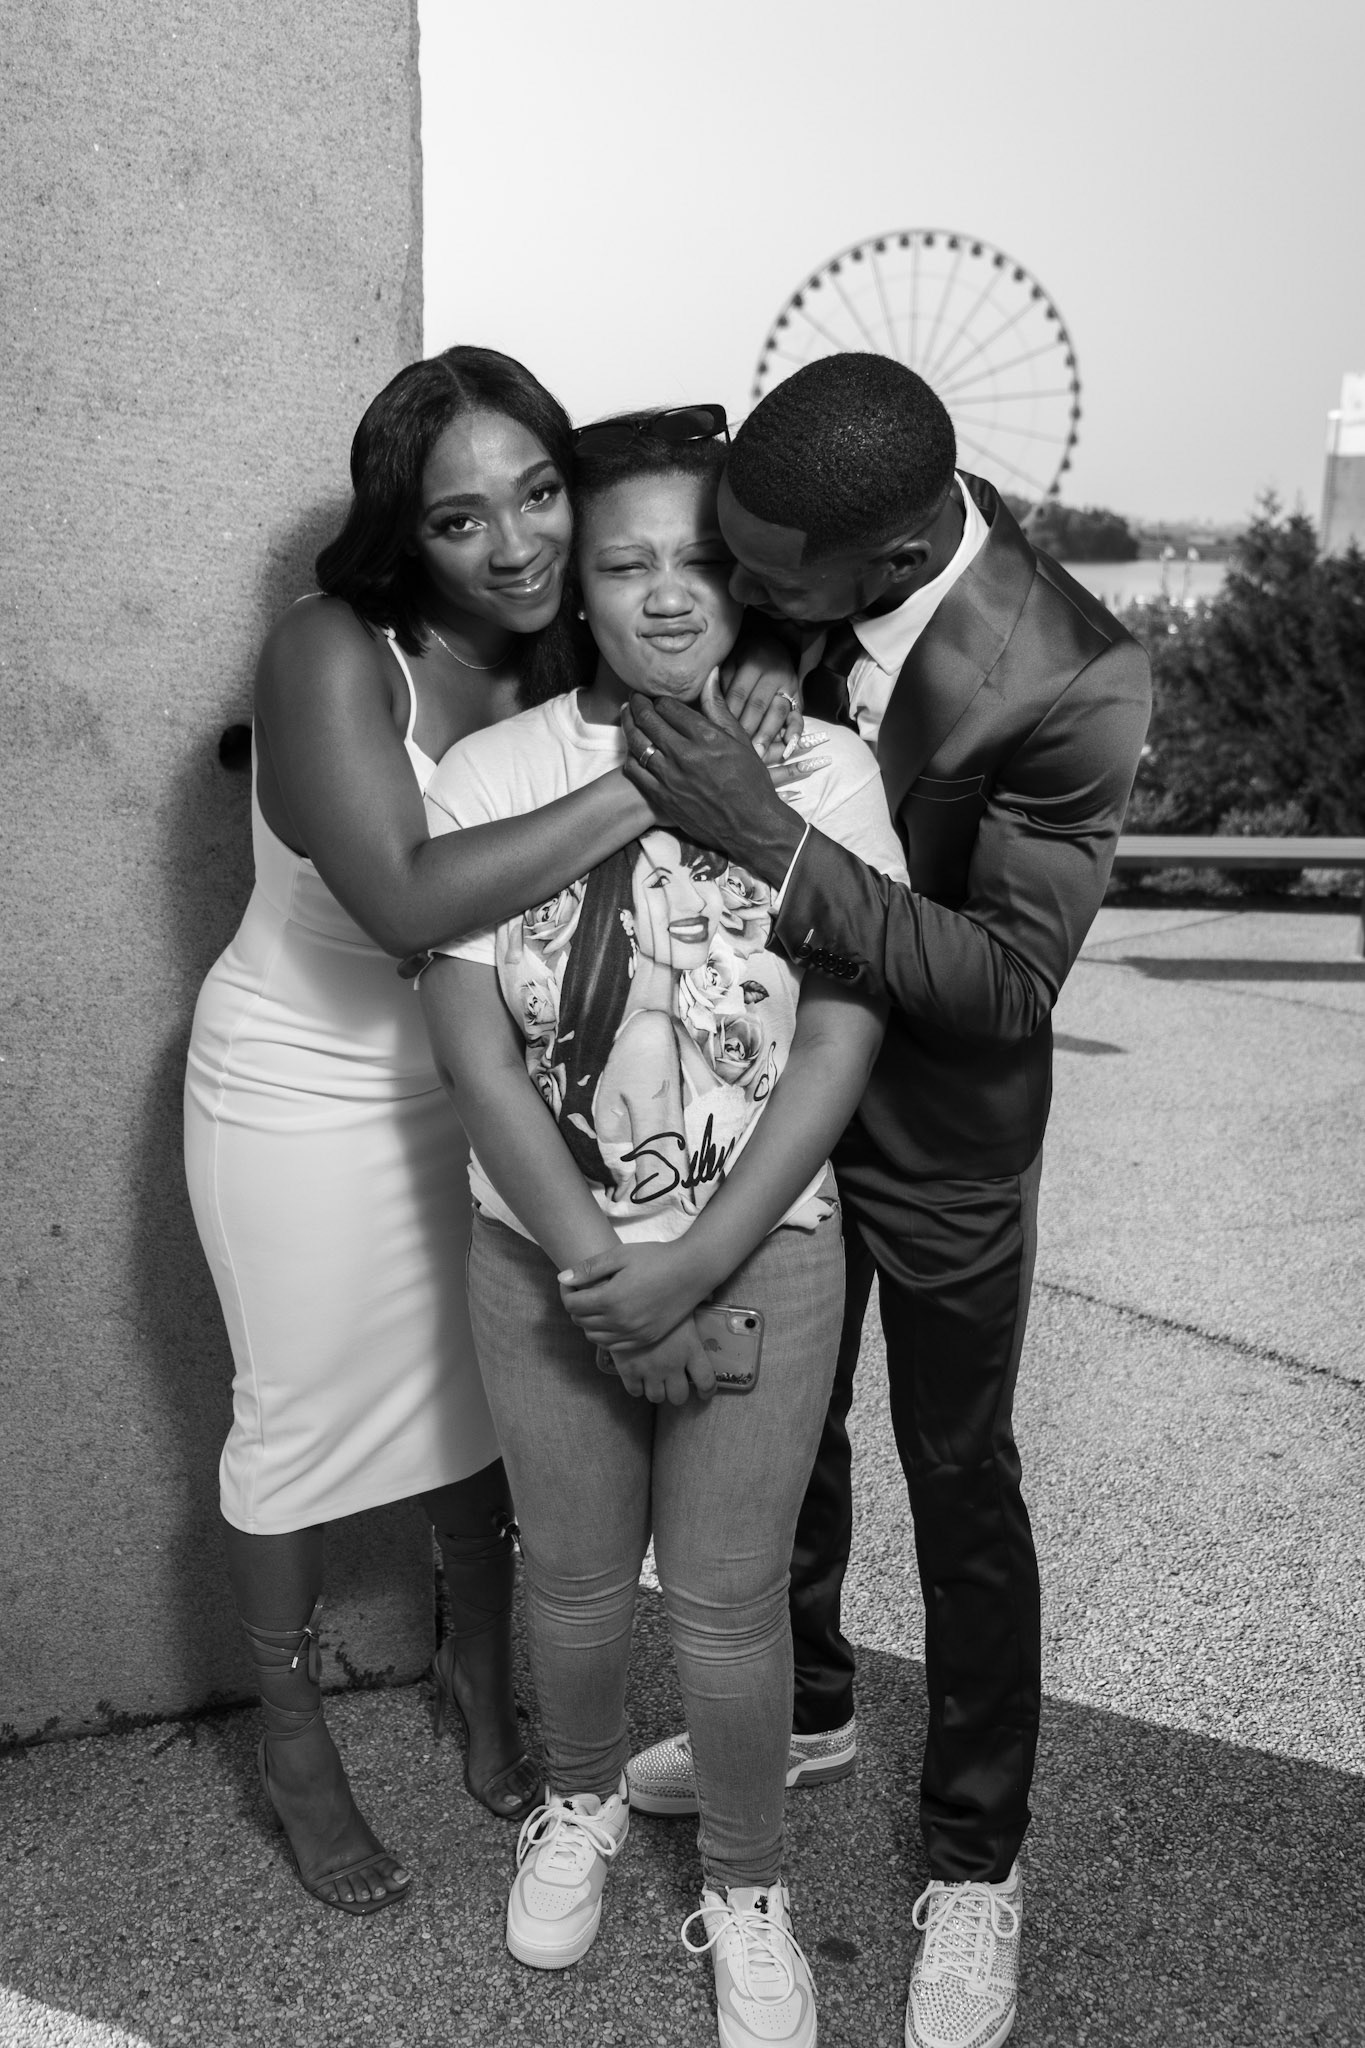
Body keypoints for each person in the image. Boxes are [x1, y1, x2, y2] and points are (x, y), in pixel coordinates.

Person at [183, 349, 799, 1917]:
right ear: (407, 532)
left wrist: (759, 674)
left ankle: (478, 1677)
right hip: (304, 1095)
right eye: (462, 520)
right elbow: (405, 901)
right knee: (294, 1422)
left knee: (487, 1420)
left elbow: (706, 604)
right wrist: (667, 777)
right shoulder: (331, 649)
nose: (515, 544)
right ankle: (294, 1747)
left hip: (499, 1101)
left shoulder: (554, 657)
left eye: (537, 496)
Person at [605, 355, 1152, 2048]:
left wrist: (767, 838)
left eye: (767, 581)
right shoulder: (816, 558)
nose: (737, 594)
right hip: (768, 1103)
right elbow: (771, 618)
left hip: (940, 1139)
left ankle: (977, 1861)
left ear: (901, 551)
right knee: (789, 1435)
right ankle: (810, 1707)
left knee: (957, 1474)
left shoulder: (1077, 673)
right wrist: (776, 647)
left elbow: (1002, 984)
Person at [415, 415, 907, 2048]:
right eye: (624, 564)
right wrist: (597, 1271)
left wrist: (692, 1265)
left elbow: (839, 1033)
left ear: (750, 583)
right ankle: (579, 1804)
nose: (668, 594)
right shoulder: (496, 773)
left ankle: (750, 1887)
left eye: (700, 561)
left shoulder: (824, 769)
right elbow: (474, 1045)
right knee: (567, 1579)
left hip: (765, 1247)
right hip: (539, 1253)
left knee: (724, 1602)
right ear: (579, 588)